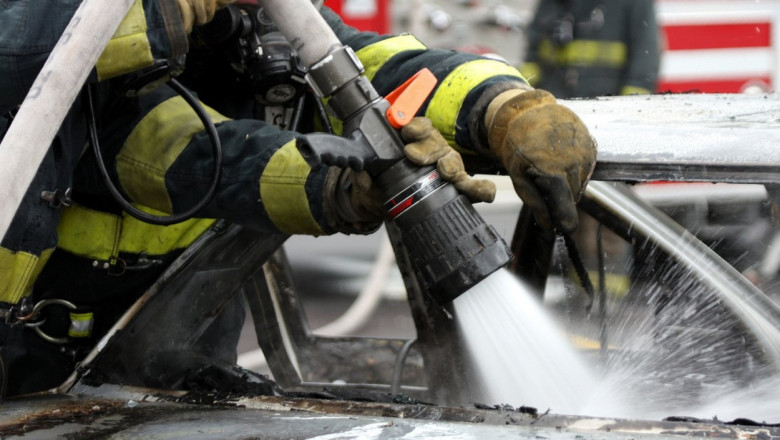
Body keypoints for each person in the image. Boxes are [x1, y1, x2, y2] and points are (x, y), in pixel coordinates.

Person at [0, 0, 596, 398]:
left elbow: (374, 68)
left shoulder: (253, 29)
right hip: (32, 359)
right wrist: (336, 189)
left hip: (175, 358)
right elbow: (177, 150)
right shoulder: (78, 45)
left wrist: (504, 109)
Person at [520, 0, 661, 98]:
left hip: (607, 106)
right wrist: (523, 90)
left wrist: (632, 105)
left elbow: (645, 57)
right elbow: (534, 50)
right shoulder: (553, 3)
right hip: (556, 100)